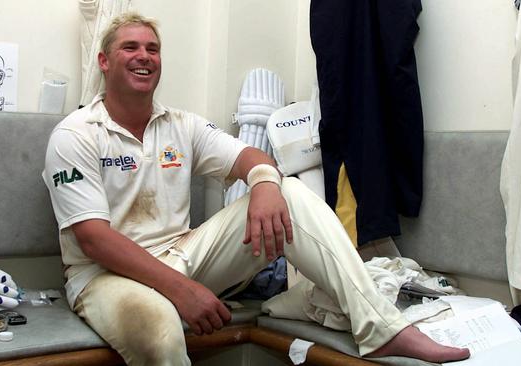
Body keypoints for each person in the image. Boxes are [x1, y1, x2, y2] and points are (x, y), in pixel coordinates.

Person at [42, 12, 470, 365]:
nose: (144, 57)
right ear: (104, 61)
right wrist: (181, 290)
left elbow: (252, 157)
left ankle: (382, 328)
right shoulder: (77, 134)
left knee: (292, 193)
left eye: (152, 49)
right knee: (159, 327)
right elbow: (93, 239)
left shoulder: (180, 125)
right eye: (130, 48)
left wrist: (266, 183)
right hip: (105, 277)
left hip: (182, 253)